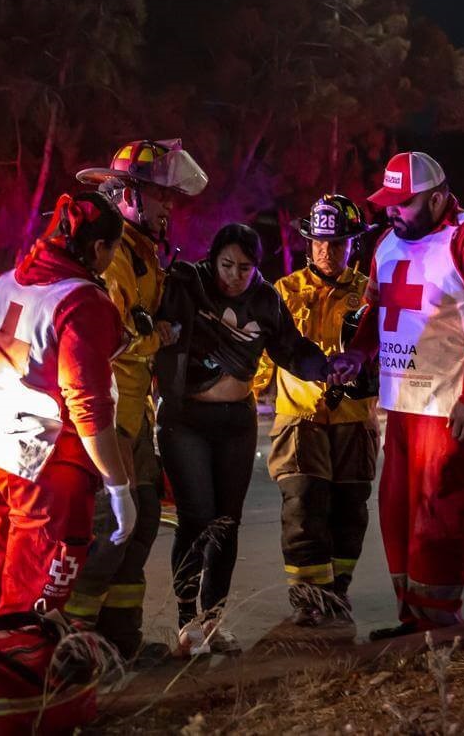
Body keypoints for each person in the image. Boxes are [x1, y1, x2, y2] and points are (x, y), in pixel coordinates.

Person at [333, 152, 464, 642]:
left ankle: (439, 623)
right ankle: (412, 619)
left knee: (441, 510)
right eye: (388, 204)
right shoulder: (385, 244)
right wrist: (357, 356)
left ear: (438, 197)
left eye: (404, 203)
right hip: (403, 402)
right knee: (397, 510)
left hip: (453, 402)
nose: (392, 213)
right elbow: (377, 313)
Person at [154, 223, 352, 655]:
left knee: (227, 522)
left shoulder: (264, 298)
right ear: (212, 260)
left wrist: (325, 368)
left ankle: (213, 621)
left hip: (237, 422)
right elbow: (155, 316)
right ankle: (187, 623)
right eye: (226, 265)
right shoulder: (188, 283)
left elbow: (291, 347)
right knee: (196, 517)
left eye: (245, 268)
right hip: (185, 418)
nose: (234, 276)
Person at [0, 191, 135, 624]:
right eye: (112, 250)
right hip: (40, 467)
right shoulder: (82, 301)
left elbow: (33, 358)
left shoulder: (5, 282)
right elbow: (88, 406)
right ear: (98, 248)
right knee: (29, 606)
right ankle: (14, 688)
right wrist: (118, 487)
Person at [66, 139, 208, 662]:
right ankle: (77, 644)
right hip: (108, 414)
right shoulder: (116, 254)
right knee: (113, 532)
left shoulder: (142, 251)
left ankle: (119, 641)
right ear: (128, 194)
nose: (169, 206)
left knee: (143, 520)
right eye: (159, 195)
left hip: (132, 410)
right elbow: (113, 336)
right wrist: (161, 337)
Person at [252, 194, 379, 628]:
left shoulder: (368, 295)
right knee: (303, 507)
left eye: (339, 243)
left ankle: (337, 592)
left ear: (352, 246)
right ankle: (309, 599)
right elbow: (266, 350)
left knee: (350, 511)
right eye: (321, 243)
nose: (328, 251)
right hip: (298, 418)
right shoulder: (283, 292)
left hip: (354, 420)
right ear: (309, 243)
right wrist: (248, 391)